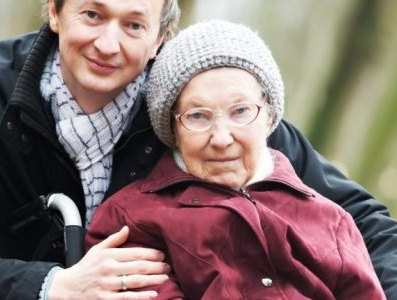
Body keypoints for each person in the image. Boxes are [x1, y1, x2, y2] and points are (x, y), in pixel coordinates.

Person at [0, 0, 395, 299]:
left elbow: (359, 223)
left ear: (160, 35)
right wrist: (56, 287)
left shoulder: (199, 102)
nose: (108, 44)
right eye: (92, 14)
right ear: (54, 10)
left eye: (134, 25)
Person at [86, 20, 386, 299]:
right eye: (198, 116)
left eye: (240, 111)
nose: (221, 137)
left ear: (269, 117)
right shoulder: (131, 220)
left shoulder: (331, 219)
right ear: (172, 128)